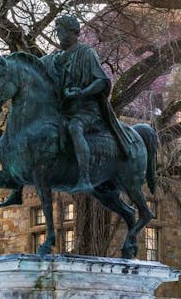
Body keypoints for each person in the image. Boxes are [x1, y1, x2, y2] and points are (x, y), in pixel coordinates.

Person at [44, 14, 130, 191]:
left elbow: (101, 81)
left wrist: (82, 92)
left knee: (74, 128)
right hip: (64, 110)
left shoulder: (86, 53)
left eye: (61, 32)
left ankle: (84, 178)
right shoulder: (56, 58)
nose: (58, 36)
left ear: (72, 32)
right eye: (57, 32)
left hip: (87, 110)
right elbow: (32, 66)